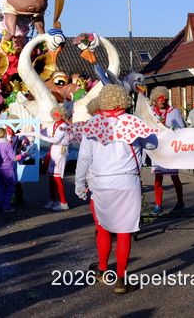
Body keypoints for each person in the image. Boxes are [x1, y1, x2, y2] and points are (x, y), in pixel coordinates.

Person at [74, 84, 158, 294]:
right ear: (124, 100)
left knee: (102, 227)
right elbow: (152, 145)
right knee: (124, 231)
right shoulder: (133, 123)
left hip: (101, 183)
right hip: (127, 182)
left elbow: (84, 158)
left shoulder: (93, 124)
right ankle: (121, 279)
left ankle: (103, 269)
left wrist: (79, 182)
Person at [149, 86, 185, 215]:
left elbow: (182, 128)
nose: (162, 101)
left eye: (164, 99)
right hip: (157, 148)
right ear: (155, 100)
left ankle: (180, 202)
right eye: (159, 99)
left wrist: (170, 128)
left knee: (175, 177)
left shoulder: (174, 111)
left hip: (171, 148)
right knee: (158, 178)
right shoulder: (151, 112)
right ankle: (158, 205)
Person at [44, 104, 78, 212]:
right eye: (55, 114)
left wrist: (38, 135)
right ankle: (52, 200)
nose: (56, 116)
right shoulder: (54, 125)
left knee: (57, 178)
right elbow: (45, 131)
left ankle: (63, 203)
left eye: (58, 114)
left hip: (60, 151)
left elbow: (56, 140)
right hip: (54, 150)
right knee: (51, 178)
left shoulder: (63, 126)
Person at [0, 126, 16, 212]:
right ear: (5, 134)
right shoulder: (7, 145)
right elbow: (13, 158)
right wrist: (23, 155)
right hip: (8, 169)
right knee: (10, 188)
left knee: (1, 189)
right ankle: (6, 206)